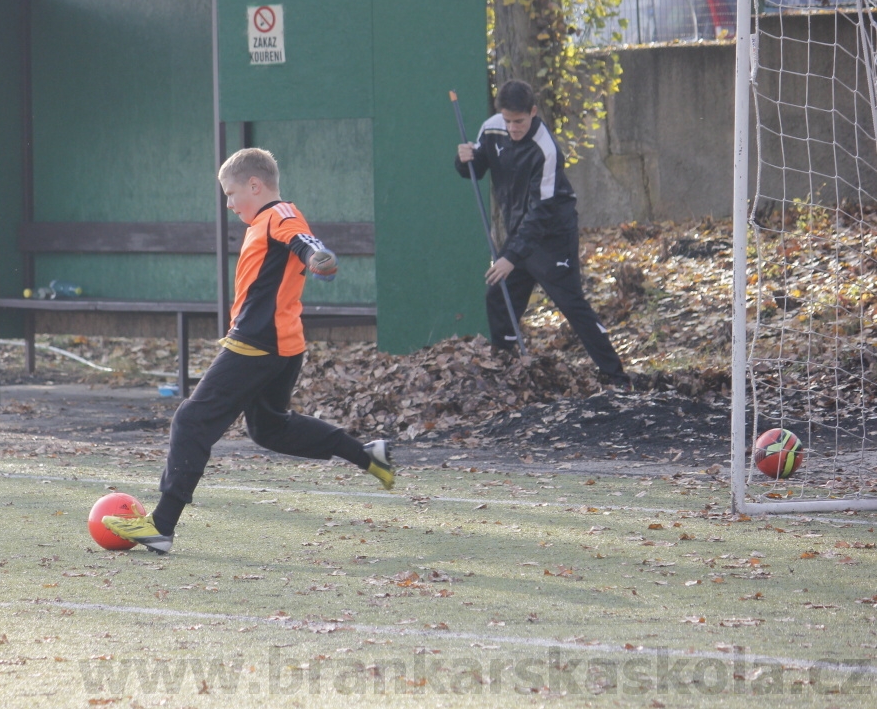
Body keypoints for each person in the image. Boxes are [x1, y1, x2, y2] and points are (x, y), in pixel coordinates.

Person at [104, 147, 394, 555]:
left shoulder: (277, 214)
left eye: (230, 193)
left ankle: (161, 526)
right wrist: (313, 257)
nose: (228, 203)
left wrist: (317, 257)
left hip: (258, 343)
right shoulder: (262, 221)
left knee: (191, 420)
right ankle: (366, 455)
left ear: (254, 185)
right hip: (283, 344)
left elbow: (304, 240)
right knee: (269, 428)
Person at [456, 79, 629, 386]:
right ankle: (505, 363)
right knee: (499, 295)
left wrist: (510, 255)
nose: (512, 128)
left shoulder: (545, 149)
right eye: (508, 121)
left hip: (552, 234)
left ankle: (616, 376)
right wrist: (464, 158)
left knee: (571, 304)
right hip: (520, 232)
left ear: (533, 112)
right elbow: (477, 167)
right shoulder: (492, 127)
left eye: (519, 121)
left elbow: (542, 210)